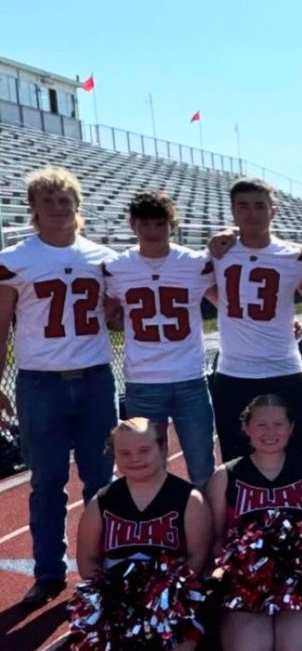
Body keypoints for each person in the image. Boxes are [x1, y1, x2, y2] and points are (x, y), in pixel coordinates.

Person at [0, 167, 117, 608]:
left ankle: (101, 566)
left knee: (100, 481)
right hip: (40, 384)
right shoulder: (14, 258)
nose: (57, 206)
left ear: (78, 205)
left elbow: (118, 311)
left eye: (65, 198)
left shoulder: (102, 257)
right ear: (33, 208)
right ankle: (48, 573)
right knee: (47, 482)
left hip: (94, 379)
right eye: (47, 199)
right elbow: (2, 326)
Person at [71, 418, 211, 651]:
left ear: (162, 449)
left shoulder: (189, 499)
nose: (134, 459)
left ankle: (192, 644)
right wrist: (111, 598)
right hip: (117, 601)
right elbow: (87, 558)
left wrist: (162, 596)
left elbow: (197, 560)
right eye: (124, 453)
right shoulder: (103, 500)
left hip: (169, 602)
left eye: (144, 450)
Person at [207, 395, 302, 651]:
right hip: (246, 585)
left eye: (278, 424)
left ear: (291, 428)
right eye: (261, 425)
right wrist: (241, 572)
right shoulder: (226, 475)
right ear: (246, 428)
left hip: (298, 583)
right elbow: (216, 540)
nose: (270, 432)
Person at [104, 191, 216, 487]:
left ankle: (206, 530)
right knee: (149, 468)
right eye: (144, 224)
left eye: (159, 223)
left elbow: (229, 303)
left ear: (172, 224)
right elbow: (108, 313)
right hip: (143, 380)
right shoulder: (116, 267)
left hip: (190, 377)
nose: (152, 231)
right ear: (133, 225)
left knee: (202, 466)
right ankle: (160, 526)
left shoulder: (194, 263)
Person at [208, 179, 302, 462]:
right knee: (236, 458)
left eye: (259, 206)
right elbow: (205, 287)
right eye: (243, 206)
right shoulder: (218, 253)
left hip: (284, 368)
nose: (252, 213)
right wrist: (232, 308)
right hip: (235, 371)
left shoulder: (294, 256)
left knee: (290, 456)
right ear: (232, 211)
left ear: (273, 212)